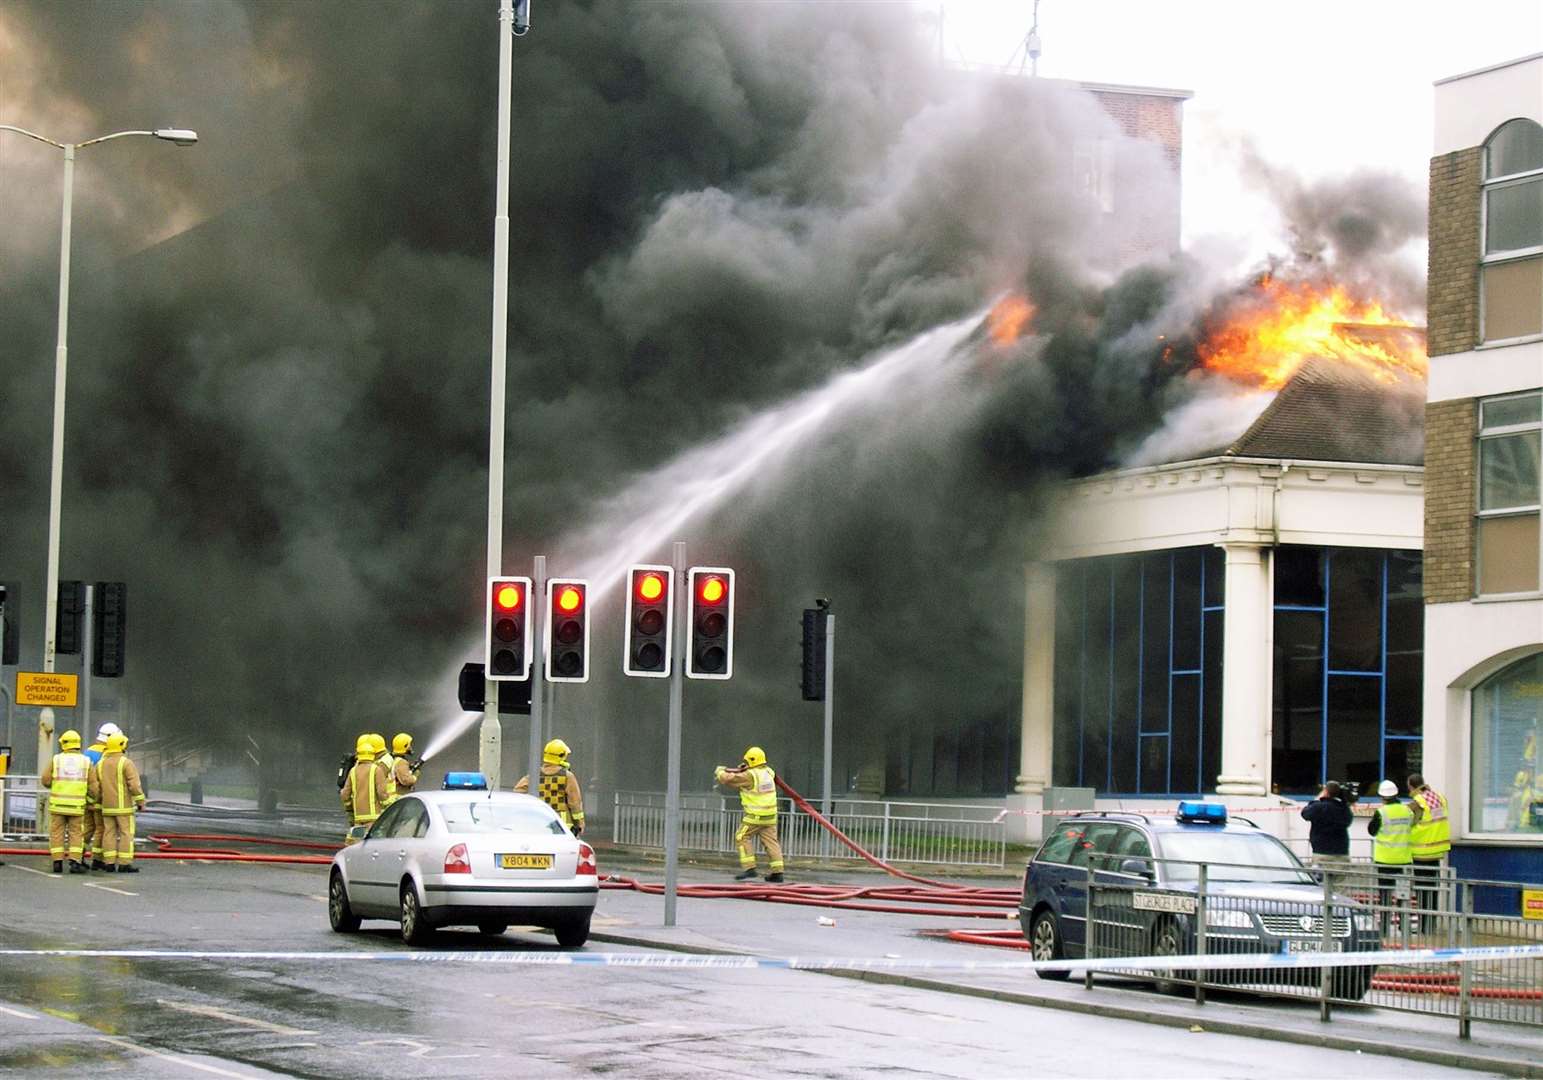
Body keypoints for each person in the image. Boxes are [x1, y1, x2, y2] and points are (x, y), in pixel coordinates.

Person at [713, 745, 784, 883]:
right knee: (771, 842)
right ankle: (778, 873)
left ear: (752, 760)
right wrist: (745, 767)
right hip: (770, 816)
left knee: (741, 836)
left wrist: (720, 771)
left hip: (755, 816)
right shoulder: (769, 771)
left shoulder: (750, 775)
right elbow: (752, 772)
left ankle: (749, 868)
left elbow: (729, 779)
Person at [90, 732, 146, 873]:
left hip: (106, 807)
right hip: (124, 808)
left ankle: (109, 863)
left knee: (109, 833)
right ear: (121, 746)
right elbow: (134, 785)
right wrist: (140, 801)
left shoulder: (101, 764)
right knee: (126, 833)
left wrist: (95, 801)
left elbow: (96, 787)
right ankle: (124, 863)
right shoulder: (126, 762)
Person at [39, 729, 91, 874]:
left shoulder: (56, 759)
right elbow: (93, 785)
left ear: (63, 744)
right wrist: (93, 799)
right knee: (76, 834)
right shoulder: (86, 761)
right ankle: (75, 863)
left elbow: (45, 779)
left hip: (57, 805)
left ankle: (57, 862)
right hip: (77, 806)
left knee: (56, 833)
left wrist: (54, 786)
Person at [1368, 779, 1413, 936]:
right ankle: (1404, 926)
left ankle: (1385, 928)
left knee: (1385, 895)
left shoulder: (1381, 813)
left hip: (1385, 860)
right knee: (1403, 894)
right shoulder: (1407, 811)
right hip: (1404, 860)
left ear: (1382, 797)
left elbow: (1371, 831)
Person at [1407, 773, 1451, 932]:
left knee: (1422, 891)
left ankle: (1424, 928)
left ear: (1411, 786)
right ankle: (1431, 926)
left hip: (1421, 853)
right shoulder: (1440, 798)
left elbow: (1409, 824)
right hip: (1437, 852)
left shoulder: (1417, 803)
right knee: (1433, 890)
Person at [515, 738, 585, 835]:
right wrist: (580, 823)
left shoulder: (534, 775)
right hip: (562, 827)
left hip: (540, 824)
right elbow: (575, 803)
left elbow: (518, 791)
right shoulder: (567, 776)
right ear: (561, 756)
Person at [81, 722, 121, 871]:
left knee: (86, 829)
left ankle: (78, 856)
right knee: (101, 829)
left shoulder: (87, 752)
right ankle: (97, 860)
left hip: (85, 797)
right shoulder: (107, 754)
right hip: (100, 798)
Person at [340, 733, 388, 836]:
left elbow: (345, 794)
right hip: (373, 818)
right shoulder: (377, 769)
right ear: (372, 754)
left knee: (354, 845)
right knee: (373, 846)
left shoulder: (353, 771)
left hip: (358, 818)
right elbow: (382, 793)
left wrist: (350, 810)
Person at [1301, 782, 1354, 872]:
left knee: (1322, 884)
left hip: (1322, 853)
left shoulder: (1319, 807)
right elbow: (1348, 820)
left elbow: (1305, 813)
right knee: (1339, 885)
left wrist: (1318, 799)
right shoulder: (1344, 809)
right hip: (1341, 854)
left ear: (1326, 792)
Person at [384, 732, 419, 805]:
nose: (411, 747)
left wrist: (409, 770)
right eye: (409, 745)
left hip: (391, 799)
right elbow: (406, 780)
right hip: (397, 798)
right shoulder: (401, 762)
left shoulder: (394, 759)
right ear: (405, 746)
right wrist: (415, 775)